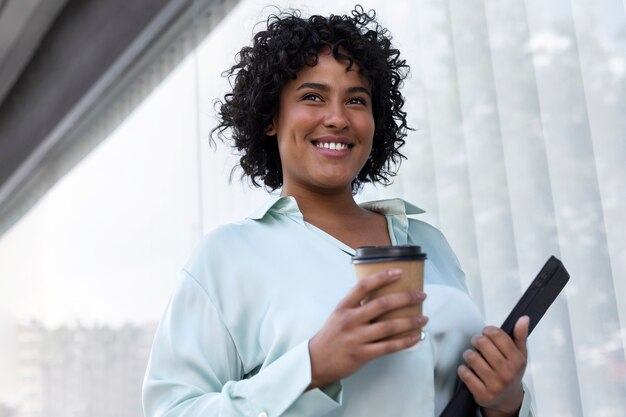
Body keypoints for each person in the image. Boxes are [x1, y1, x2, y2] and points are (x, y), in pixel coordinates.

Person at [142, 6, 533, 417]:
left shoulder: (428, 242)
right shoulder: (226, 258)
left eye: (356, 100)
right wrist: (312, 366)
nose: (337, 118)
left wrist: (507, 403)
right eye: (313, 96)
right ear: (271, 116)